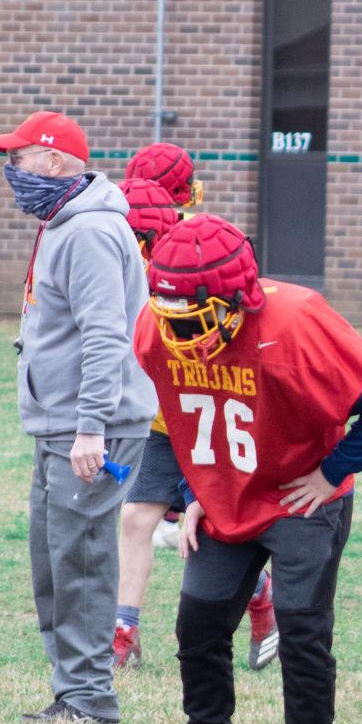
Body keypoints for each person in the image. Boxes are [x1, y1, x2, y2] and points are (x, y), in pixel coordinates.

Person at [136, 214, 362, 724]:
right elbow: (179, 415)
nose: (181, 334)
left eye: (195, 319)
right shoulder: (156, 330)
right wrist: (190, 491)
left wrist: (331, 472)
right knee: (198, 627)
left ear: (238, 301)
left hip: (298, 498)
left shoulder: (297, 321)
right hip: (225, 495)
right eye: (172, 318)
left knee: (303, 631)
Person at [0, 110, 156, 724]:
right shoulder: (63, 223)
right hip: (60, 423)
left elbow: (105, 336)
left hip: (90, 427)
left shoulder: (87, 231)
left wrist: (92, 427)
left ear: (54, 161)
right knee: (54, 557)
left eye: (19, 158)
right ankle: (72, 689)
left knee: (81, 557)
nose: (12, 169)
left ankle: (89, 696)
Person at [111, 174, 277, 673]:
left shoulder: (189, 263)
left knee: (211, 530)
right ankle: (124, 632)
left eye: (133, 236)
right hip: (164, 418)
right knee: (135, 518)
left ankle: (261, 596)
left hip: (208, 409)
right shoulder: (119, 259)